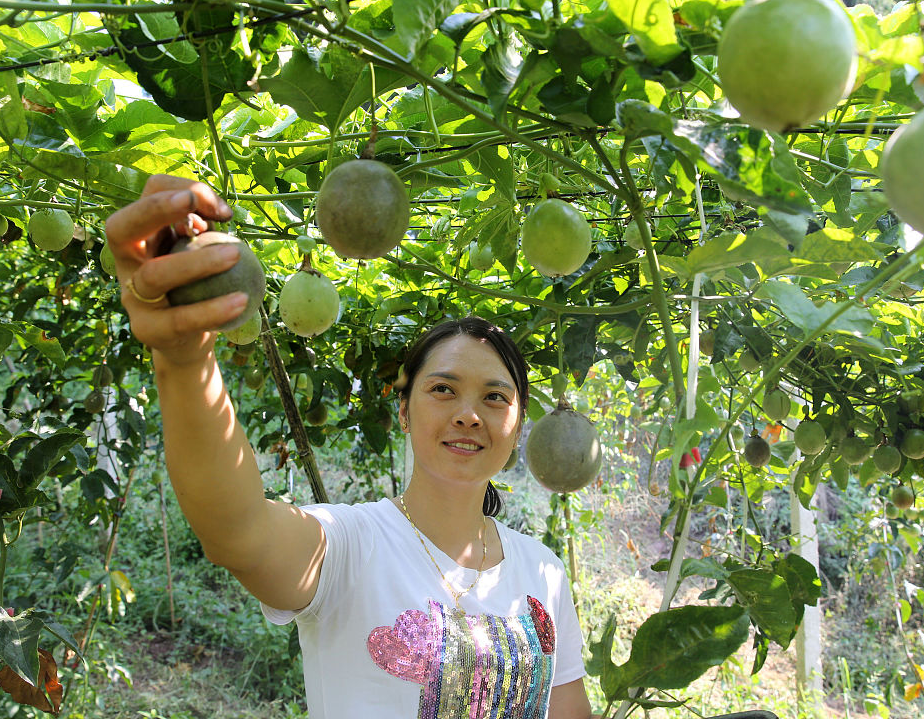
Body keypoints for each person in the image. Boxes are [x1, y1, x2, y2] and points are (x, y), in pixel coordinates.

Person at [106, 174, 599, 718]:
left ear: (519, 423)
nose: (468, 414)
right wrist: (183, 361)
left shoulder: (544, 571)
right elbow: (237, 531)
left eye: (495, 398)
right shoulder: (348, 546)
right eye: (443, 389)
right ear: (403, 410)